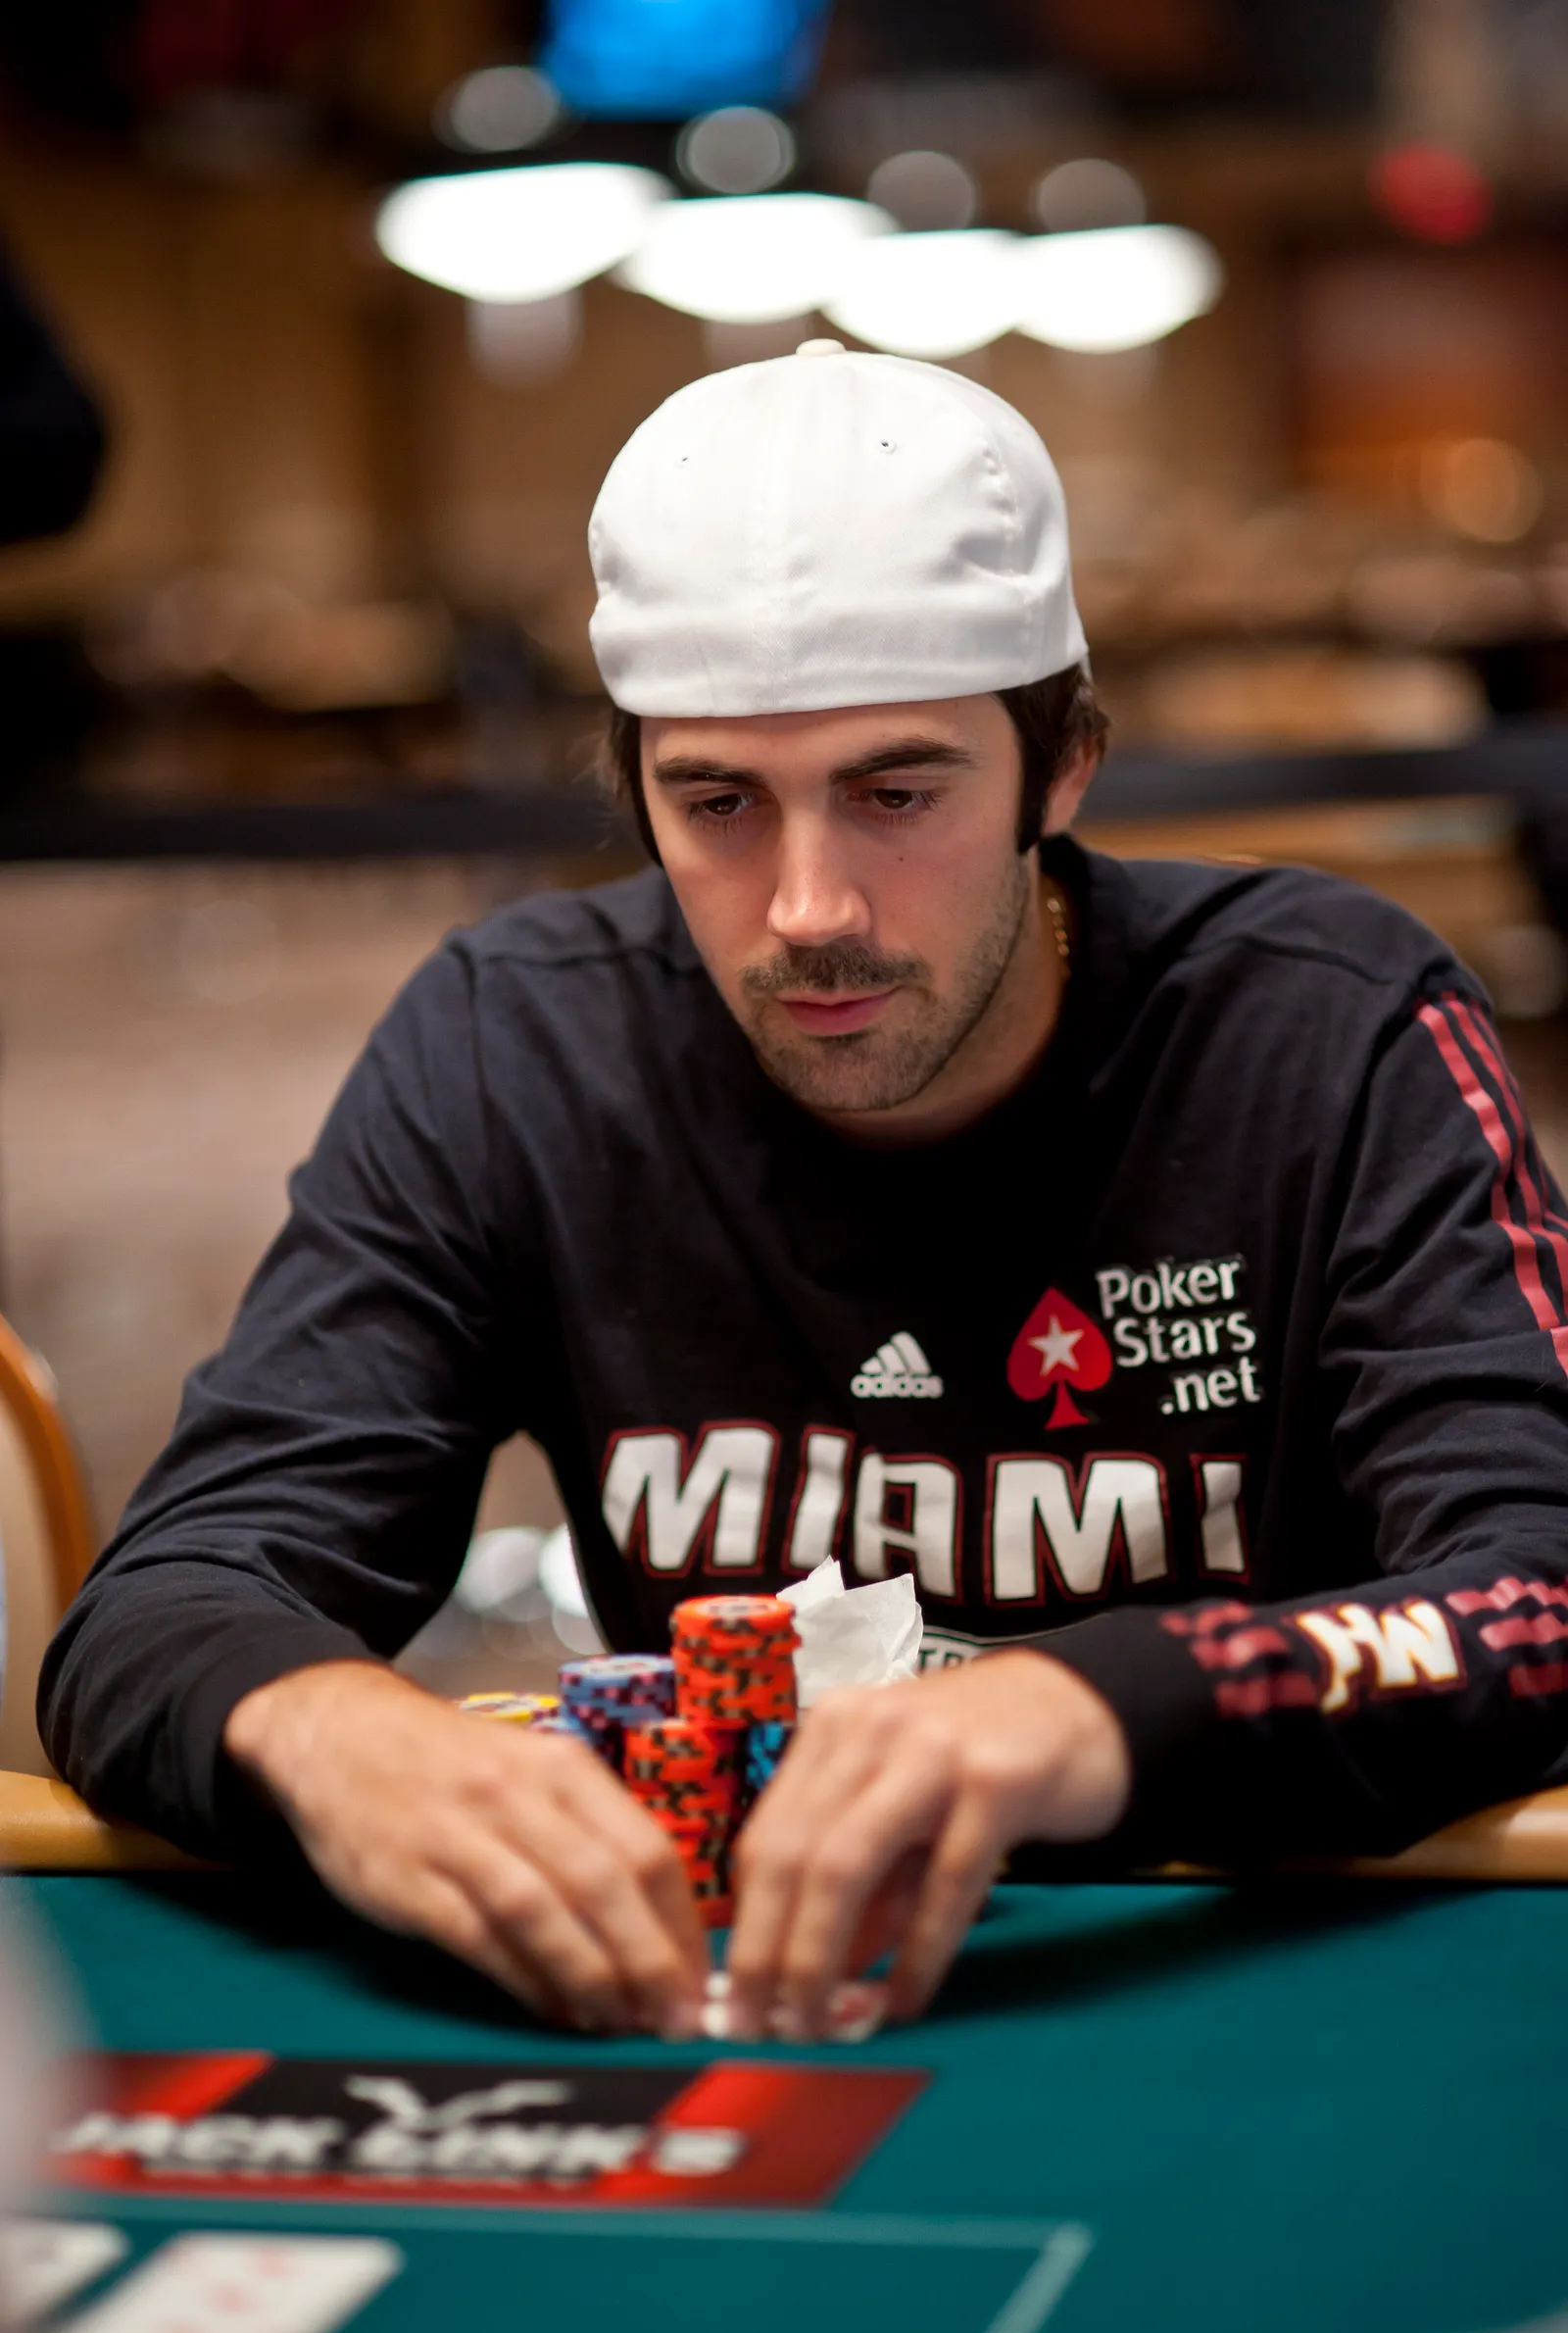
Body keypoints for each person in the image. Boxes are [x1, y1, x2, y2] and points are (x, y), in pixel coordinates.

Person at [38, 345, 1568, 2043]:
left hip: (1255, 1967)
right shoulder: (513, 1048)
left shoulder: (1326, 1027)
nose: (809, 909)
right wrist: (340, 1735)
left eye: (895, 794)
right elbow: (161, 1607)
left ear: (1063, 765)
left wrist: (1098, 1707)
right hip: (744, 1991)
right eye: (719, 804)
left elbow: (1543, 1584)